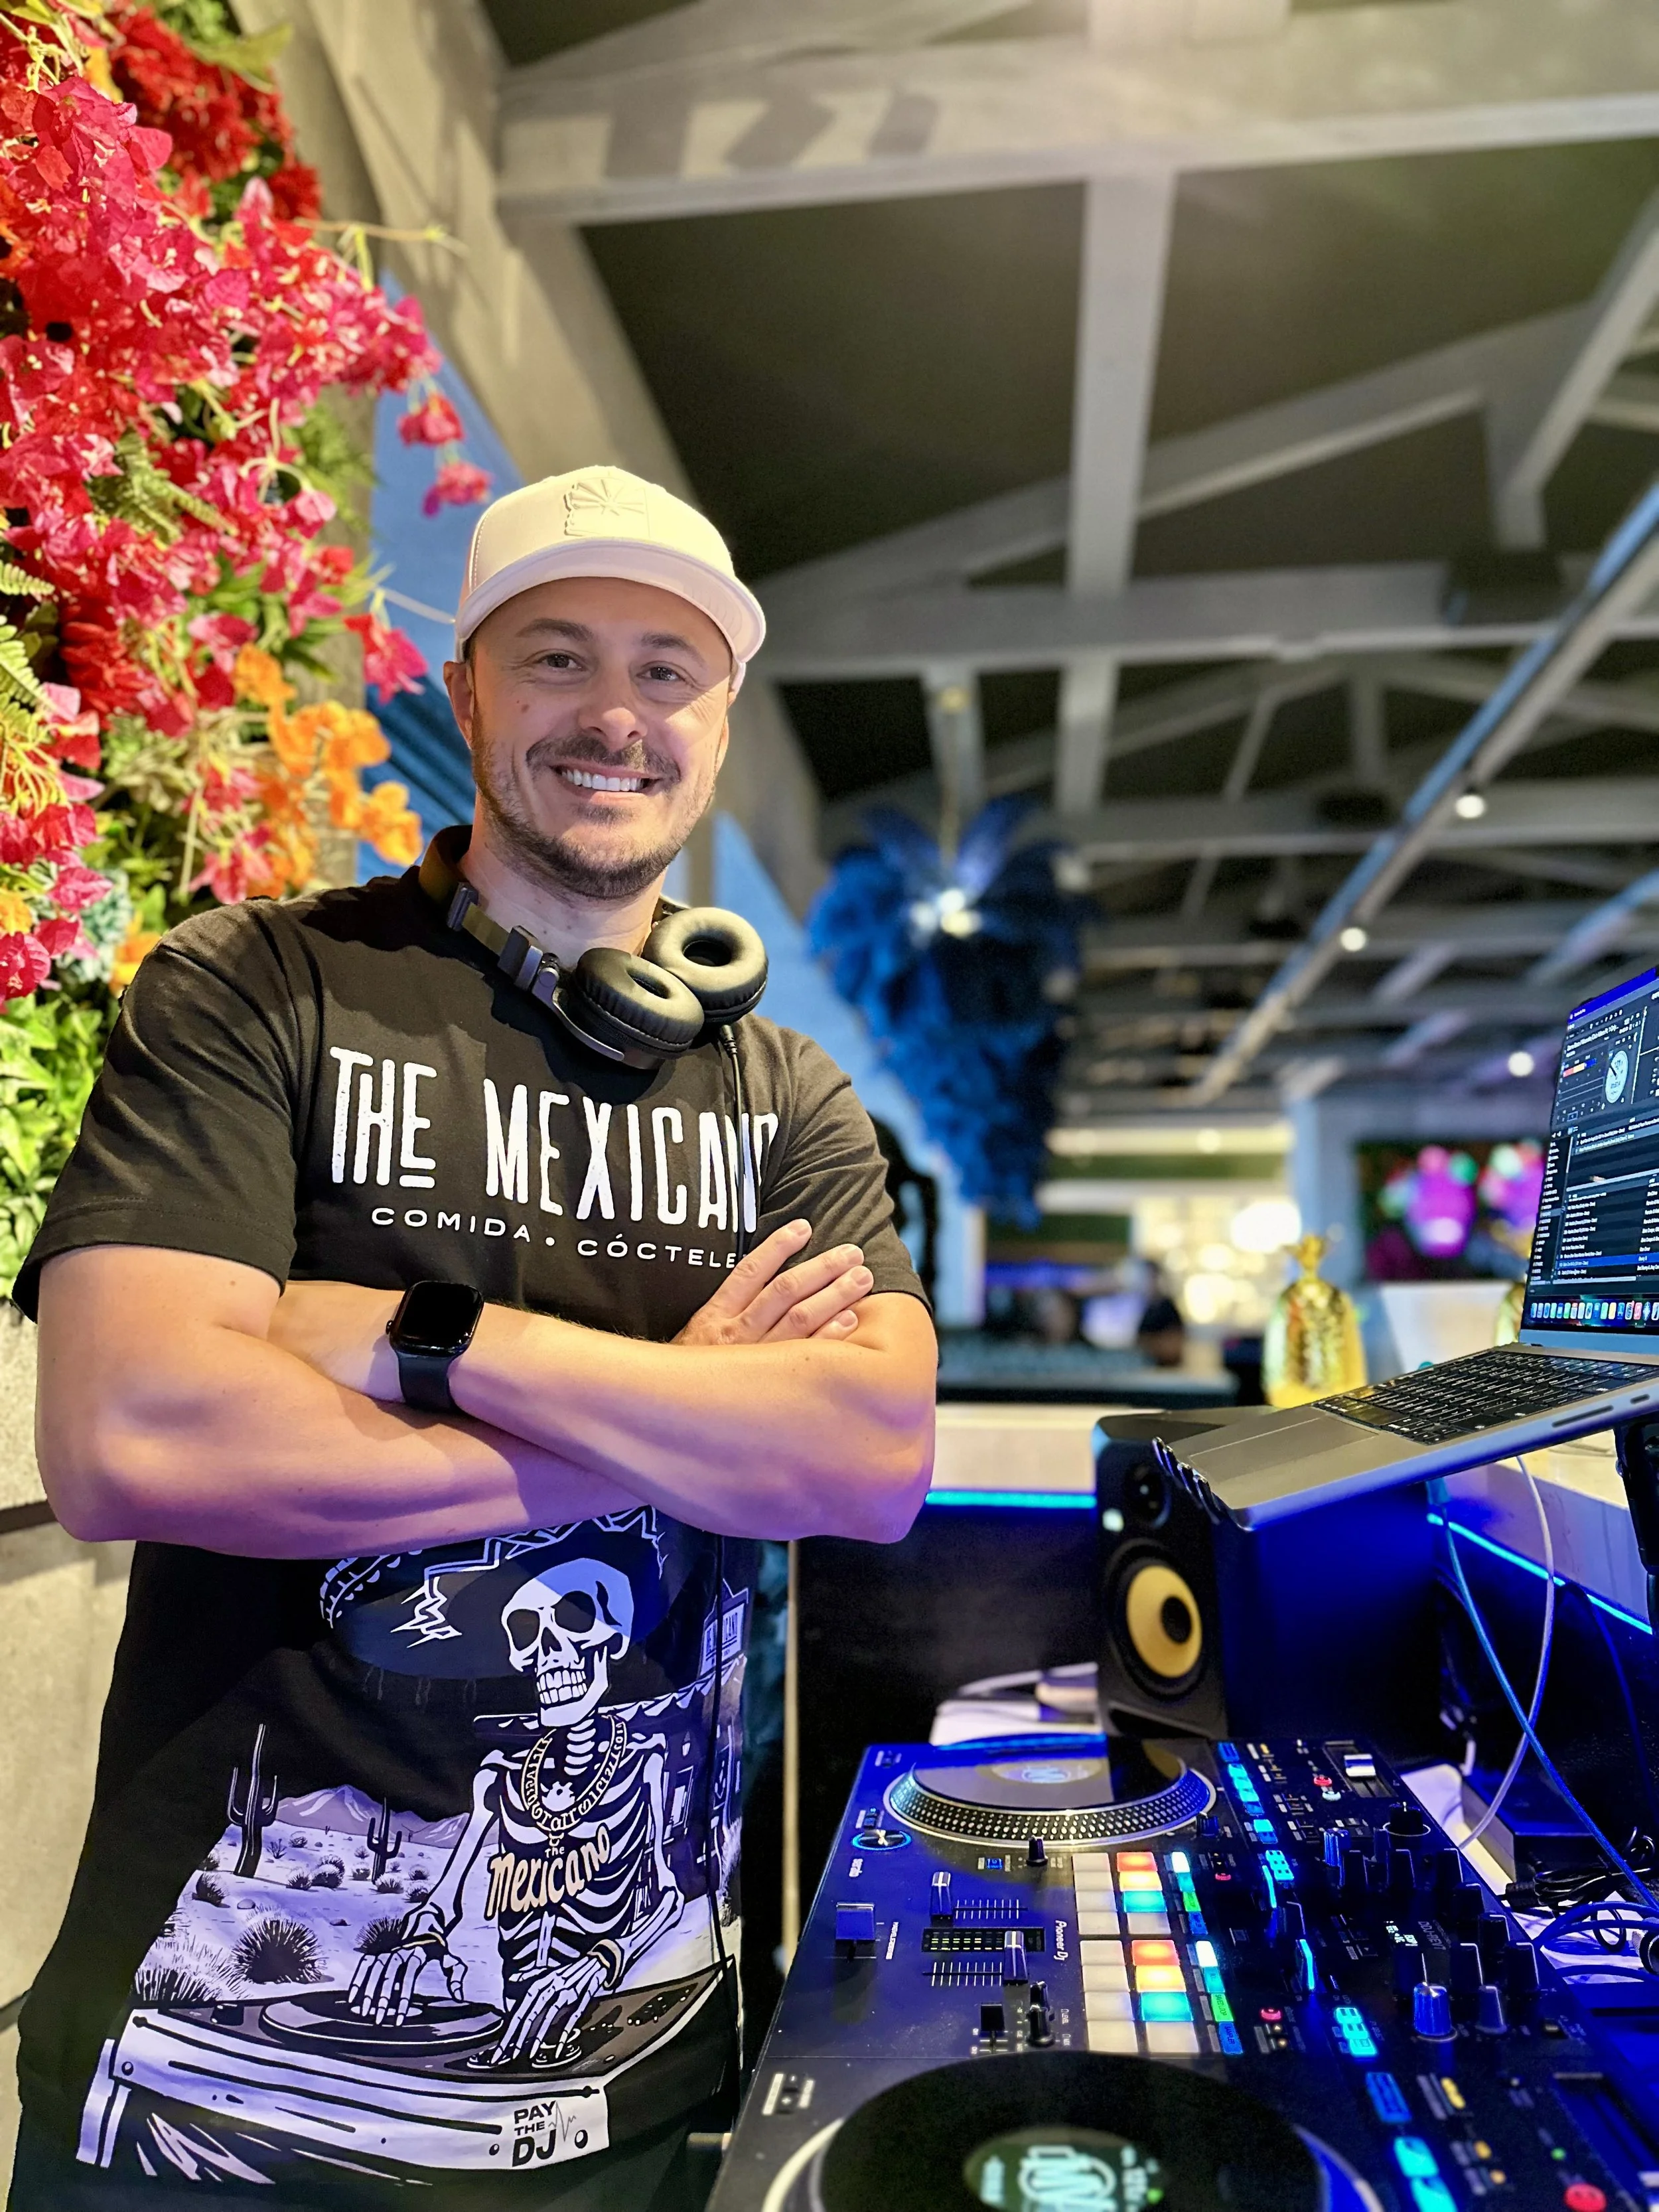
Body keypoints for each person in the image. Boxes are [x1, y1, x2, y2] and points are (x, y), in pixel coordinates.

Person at [9, 466, 937, 2211]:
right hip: (215, 2129)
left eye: (668, 670)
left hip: (636, 2112)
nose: (615, 713)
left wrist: (426, 1337)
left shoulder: (784, 1094)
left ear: (720, 720)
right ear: (471, 694)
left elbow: (867, 1461)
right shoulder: (255, 990)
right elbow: (132, 1433)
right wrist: (683, 1416)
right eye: (560, 658)